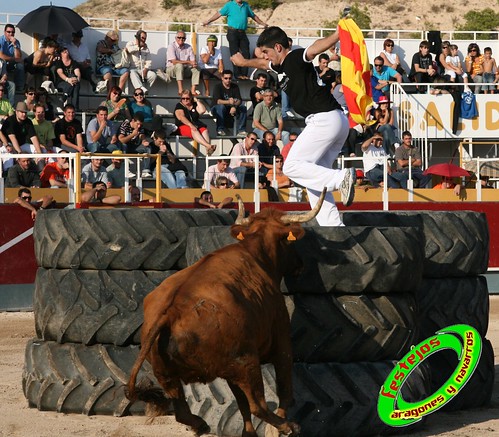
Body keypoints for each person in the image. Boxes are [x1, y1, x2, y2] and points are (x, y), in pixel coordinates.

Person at [231, 24, 356, 226]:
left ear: (278, 48)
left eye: (267, 52)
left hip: (324, 119)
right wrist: (244, 61)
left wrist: (337, 34)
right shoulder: (279, 66)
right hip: (334, 120)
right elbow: (263, 65)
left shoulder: (295, 58)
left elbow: (315, 48)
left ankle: (342, 178)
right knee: (314, 180)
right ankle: (333, 226)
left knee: (291, 166)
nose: (265, 57)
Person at [202, 0, 268, 81]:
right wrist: (208, 21)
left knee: (246, 52)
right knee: (234, 53)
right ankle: (237, 75)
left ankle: (244, 74)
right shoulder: (229, 5)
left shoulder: (245, 5)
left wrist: (262, 23)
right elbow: (219, 13)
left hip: (242, 32)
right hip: (232, 32)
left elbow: (253, 16)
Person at [174, 89, 216, 155]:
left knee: (204, 130)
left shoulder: (194, 104)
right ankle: (208, 146)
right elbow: (181, 117)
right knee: (194, 129)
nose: (185, 100)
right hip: (183, 125)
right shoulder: (179, 106)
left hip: (196, 124)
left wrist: (197, 101)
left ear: (191, 98)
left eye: (187, 98)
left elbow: (202, 110)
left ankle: (208, 149)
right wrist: (190, 125)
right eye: (183, 98)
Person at [163, 30, 200, 96]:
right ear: (176, 38)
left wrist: (194, 64)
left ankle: (193, 90)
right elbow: (174, 62)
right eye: (179, 37)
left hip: (184, 69)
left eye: (183, 38)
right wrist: (189, 62)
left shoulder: (188, 47)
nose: (181, 39)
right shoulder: (171, 46)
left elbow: (193, 60)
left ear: (185, 39)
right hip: (171, 70)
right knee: (179, 65)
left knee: (197, 68)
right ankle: (181, 90)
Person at [211, 69, 247, 136]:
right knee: (221, 107)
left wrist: (234, 106)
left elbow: (239, 100)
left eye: (230, 78)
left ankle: (241, 130)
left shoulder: (235, 87)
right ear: (222, 78)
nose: (228, 80)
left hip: (230, 108)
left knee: (243, 108)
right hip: (216, 109)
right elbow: (218, 101)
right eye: (226, 78)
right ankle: (220, 129)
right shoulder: (217, 87)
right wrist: (229, 102)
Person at [118, 112, 152, 178]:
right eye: (137, 124)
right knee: (124, 145)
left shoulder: (140, 127)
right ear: (133, 121)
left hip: (134, 147)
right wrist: (132, 135)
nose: (139, 126)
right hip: (124, 147)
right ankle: (126, 169)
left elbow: (142, 135)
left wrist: (144, 140)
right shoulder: (125, 125)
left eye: (140, 124)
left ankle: (145, 171)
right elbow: (121, 140)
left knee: (147, 147)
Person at [95, 30, 130, 94]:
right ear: (107, 38)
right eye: (112, 40)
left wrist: (125, 51)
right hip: (103, 66)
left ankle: (119, 91)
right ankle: (111, 93)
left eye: (115, 41)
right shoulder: (101, 43)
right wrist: (109, 50)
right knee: (107, 72)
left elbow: (119, 53)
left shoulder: (115, 46)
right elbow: (100, 49)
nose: (113, 42)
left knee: (126, 71)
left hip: (115, 67)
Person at [0, 24, 24, 92]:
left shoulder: (16, 42)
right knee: (3, 61)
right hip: (2, 63)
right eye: (8, 32)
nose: (11, 34)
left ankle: (19, 88)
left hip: (11, 63)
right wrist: (14, 59)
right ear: (4, 32)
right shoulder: (1, 40)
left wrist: (15, 45)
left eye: (13, 32)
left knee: (20, 66)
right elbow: (1, 56)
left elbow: (18, 57)